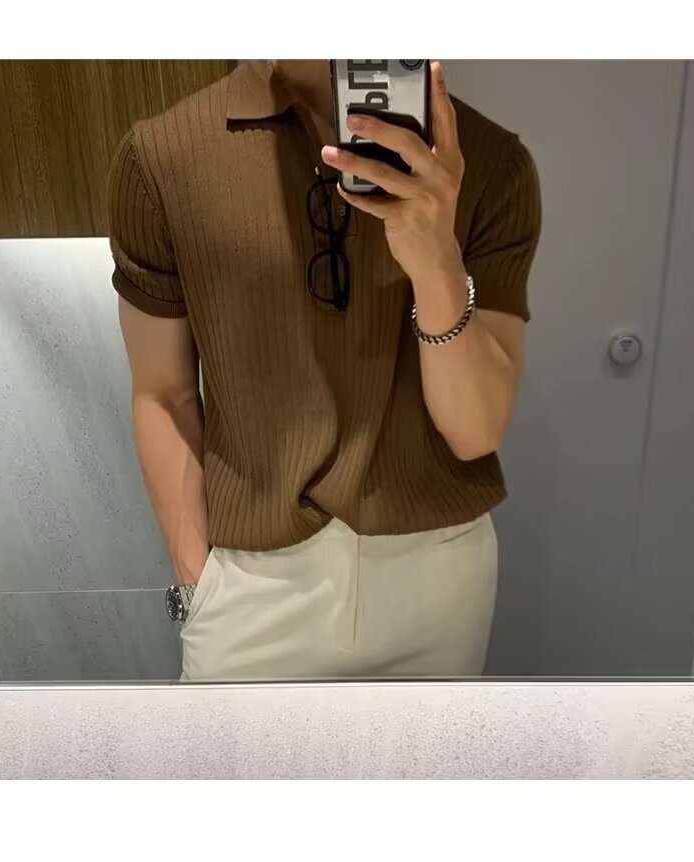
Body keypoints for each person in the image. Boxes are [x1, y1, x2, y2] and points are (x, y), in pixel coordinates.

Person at [107, 60, 541, 681]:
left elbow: (475, 431)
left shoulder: (490, 164)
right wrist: (198, 583)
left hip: (436, 583)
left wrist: (436, 263)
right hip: (249, 590)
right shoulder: (166, 158)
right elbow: (163, 393)